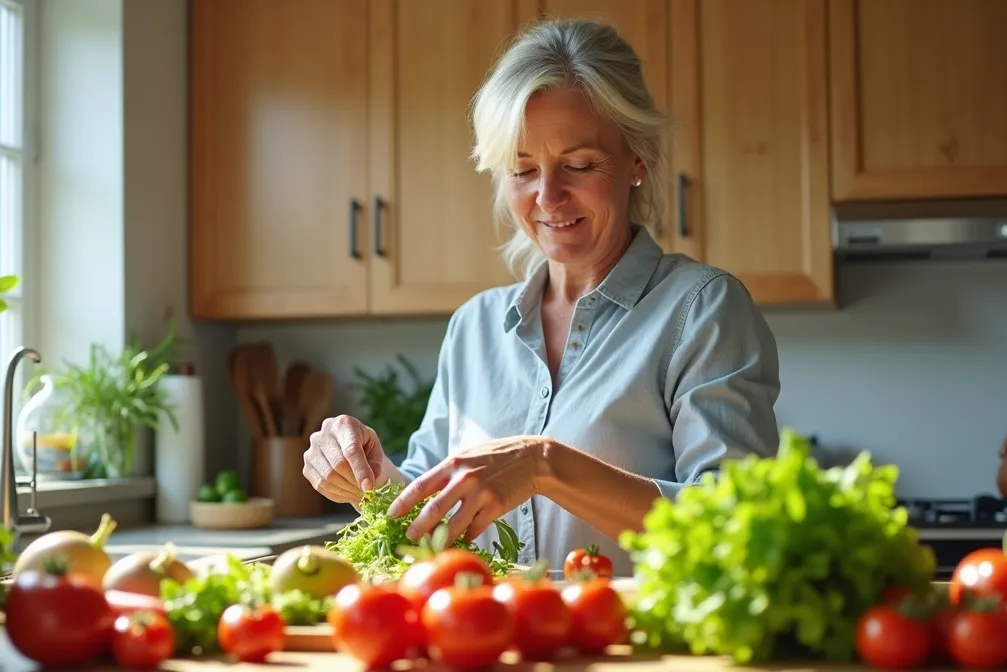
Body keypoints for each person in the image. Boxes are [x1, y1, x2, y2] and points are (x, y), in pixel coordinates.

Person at [302, 17, 781, 576]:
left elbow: (732, 529)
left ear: (638, 159)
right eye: (523, 169)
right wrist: (367, 472)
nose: (548, 196)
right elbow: (430, 513)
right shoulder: (474, 327)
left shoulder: (702, 310)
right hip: (494, 648)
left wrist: (545, 465)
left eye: (578, 164)